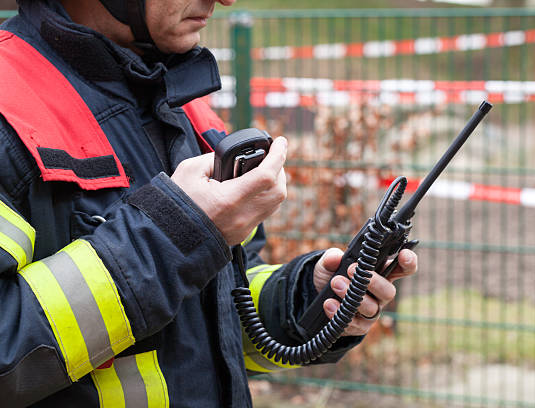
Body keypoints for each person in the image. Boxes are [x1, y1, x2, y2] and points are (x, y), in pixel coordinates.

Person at [0, 0, 418, 406]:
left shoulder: (183, 107)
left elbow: (218, 316)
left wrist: (303, 300)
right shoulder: (7, 109)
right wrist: (174, 236)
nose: (225, 0)